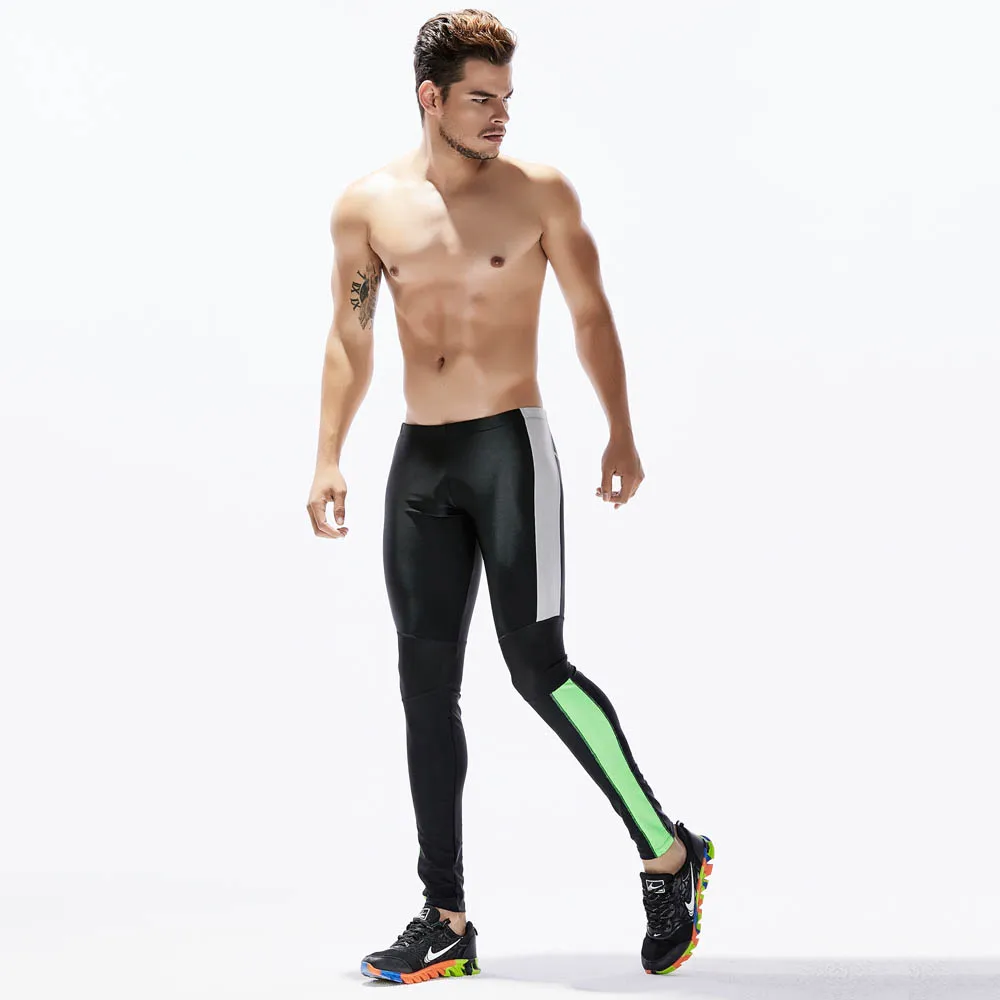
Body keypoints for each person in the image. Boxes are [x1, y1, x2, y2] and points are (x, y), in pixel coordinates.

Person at [306, 8, 714, 985]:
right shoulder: (368, 208)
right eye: (480, 99)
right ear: (430, 98)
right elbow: (351, 335)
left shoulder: (538, 194)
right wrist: (327, 456)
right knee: (423, 688)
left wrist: (619, 430)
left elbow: (590, 314)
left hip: (507, 450)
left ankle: (667, 852)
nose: (500, 116)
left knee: (540, 669)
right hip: (420, 461)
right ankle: (445, 918)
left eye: (507, 99)